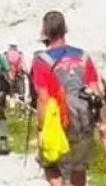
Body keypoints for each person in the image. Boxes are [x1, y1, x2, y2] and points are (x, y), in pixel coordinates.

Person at [31, 10, 104, 186]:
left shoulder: (41, 61)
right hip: (84, 120)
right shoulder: (83, 56)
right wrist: (102, 125)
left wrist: (41, 129)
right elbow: (97, 91)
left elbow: (43, 99)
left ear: (45, 32)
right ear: (65, 30)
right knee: (78, 166)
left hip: (59, 121)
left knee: (49, 163)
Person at [6, 44, 28, 108]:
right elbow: (24, 66)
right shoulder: (20, 54)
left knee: (11, 93)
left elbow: (5, 67)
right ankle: (22, 107)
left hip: (10, 76)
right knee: (21, 93)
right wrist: (27, 74)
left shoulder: (6, 55)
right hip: (19, 75)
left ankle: (12, 108)